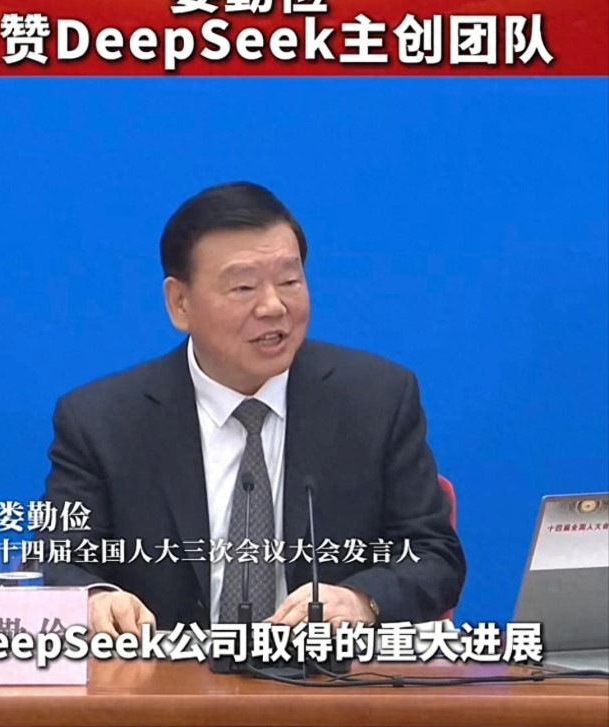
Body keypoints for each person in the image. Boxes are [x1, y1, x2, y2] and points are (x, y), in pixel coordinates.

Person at [41, 181, 465, 637]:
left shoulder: (376, 399)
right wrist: (96, 600)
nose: (273, 306)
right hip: (165, 677)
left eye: (290, 281)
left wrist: (360, 600)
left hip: (328, 676)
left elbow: (434, 556)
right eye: (243, 287)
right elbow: (55, 561)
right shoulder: (101, 421)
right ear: (180, 303)